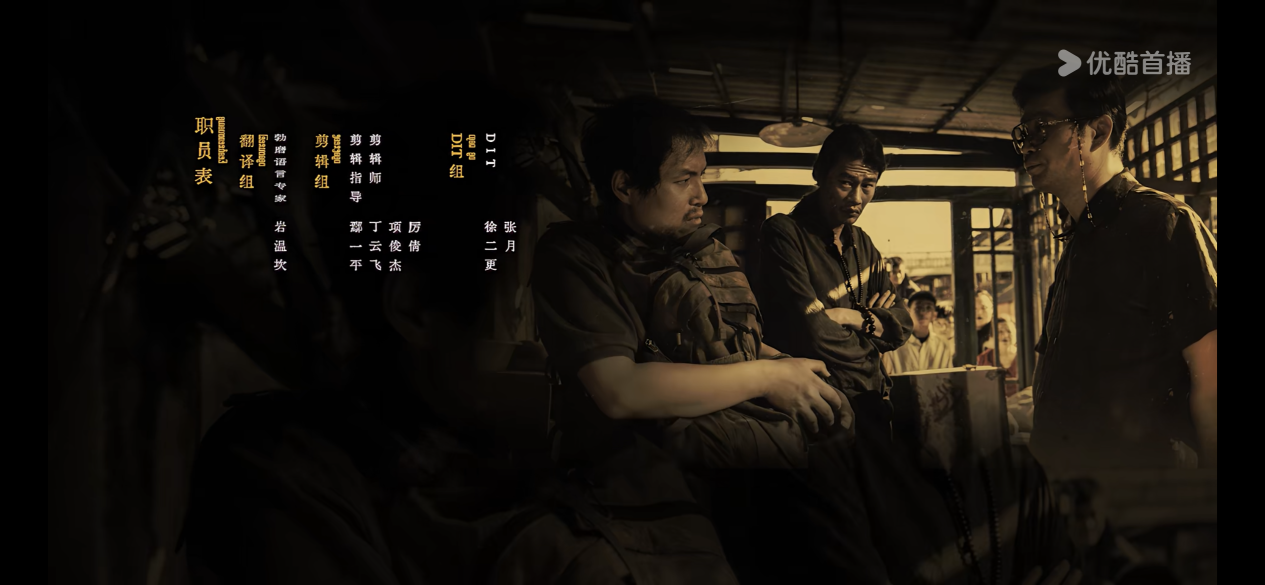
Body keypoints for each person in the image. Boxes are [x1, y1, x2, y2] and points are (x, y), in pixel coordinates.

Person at [1012, 64, 1218, 471]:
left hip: (1146, 491)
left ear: (1099, 131)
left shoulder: (1163, 223)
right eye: (1023, 133)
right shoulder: (1079, 238)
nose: (1027, 146)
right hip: (1077, 492)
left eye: (1042, 128)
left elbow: (1212, 385)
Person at [759, 124, 913, 402]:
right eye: (845, 183)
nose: (856, 198)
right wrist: (874, 337)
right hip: (818, 404)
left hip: (872, 398)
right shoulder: (783, 233)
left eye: (868, 185)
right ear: (819, 174)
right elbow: (814, 333)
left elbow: (903, 323)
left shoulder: (863, 243)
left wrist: (848, 317)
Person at [883, 290, 954, 374]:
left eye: (928, 308)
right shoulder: (895, 345)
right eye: (918, 308)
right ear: (908, 311)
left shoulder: (942, 346)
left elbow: (948, 377)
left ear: (934, 314)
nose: (923, 312)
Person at [978, 317, 1020, 396]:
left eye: (1009, 331)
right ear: (992, 336)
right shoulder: (983, 358)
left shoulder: (1023, 356)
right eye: (1000, 331)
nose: (1005, 335)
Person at [976, 289, 996, 356]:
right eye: (974, 308)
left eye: (984, 308)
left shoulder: (997, 333)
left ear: (992, 309)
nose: (979, 312)